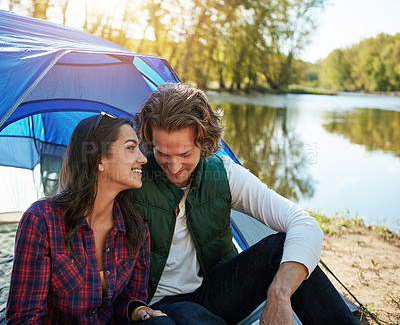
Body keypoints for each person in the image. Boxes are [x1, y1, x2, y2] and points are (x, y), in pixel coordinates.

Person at [129, 83, 359, 325]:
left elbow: (304, 224)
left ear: (203, 142)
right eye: (163, 153)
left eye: (185, 154)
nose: (174, 167)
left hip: (216, 293)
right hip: (158, 306)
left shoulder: (223, 174)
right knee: (187, 314)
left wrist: (280, 293)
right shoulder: (132, 179)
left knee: (282, 250)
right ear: (149, 141)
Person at [6, 114, 173, 325]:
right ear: (99, 159)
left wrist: (137, 310)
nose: (143, 158)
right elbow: (24, 319)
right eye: (131, 148)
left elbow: (129, 300)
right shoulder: (41, 221)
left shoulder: (135, 228)